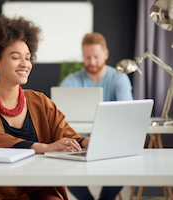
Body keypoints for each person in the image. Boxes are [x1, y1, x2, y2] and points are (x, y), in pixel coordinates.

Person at [0, 15, 90, 200]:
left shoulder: (40, 101)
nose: (25, 64)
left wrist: (90, 143)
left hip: (41, 188)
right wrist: (43, 147)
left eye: (28, 58)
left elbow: (68, 135)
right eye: (15, 57)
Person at [60, 33, 133, 200]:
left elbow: (127, 114)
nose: (92, 62)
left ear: (106, 54)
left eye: (96, 57)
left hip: (112, 143)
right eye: (87, 57)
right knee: (64, 168)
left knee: (123, 166)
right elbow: (58, 114)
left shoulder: (119, 78)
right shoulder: (71, 81)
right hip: (79, 145)